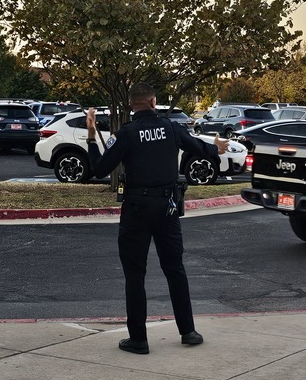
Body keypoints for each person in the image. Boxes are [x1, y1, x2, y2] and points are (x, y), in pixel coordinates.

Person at [85, 82, 228, 355]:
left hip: (137, 208)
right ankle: (188, 331)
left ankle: (138, 339)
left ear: (131, 105)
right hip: (167, 207)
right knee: (175, 269)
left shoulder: (125, 133)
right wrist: (215, 148)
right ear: (153, 102)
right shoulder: (170, 127)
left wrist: (92, 136)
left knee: (135, 274)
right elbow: (196, 146)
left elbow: (100, 169)